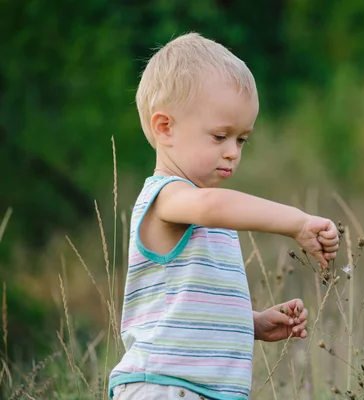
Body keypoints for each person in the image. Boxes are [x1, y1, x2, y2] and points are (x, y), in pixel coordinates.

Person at [108, 32, 340, 400]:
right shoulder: (167, 197)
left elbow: (190, 307)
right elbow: (215, 207)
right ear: (164, 127)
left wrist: (252, 323)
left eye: (241, 139)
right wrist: (296, 222)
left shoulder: (198, 206)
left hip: (204, 389)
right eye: (220, 137)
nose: (233, 152)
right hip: (164, 386)